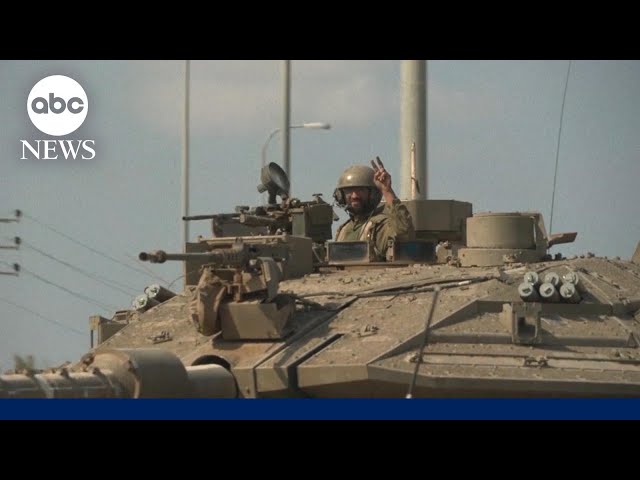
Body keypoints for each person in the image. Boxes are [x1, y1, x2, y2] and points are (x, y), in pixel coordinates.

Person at [333, 157, 415, 261]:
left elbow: (403, 233)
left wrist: (387, 191)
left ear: (373, 194)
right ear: (341, 196)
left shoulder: (379, 226)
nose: (354, 196)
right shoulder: (343, 230)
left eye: (361, 190)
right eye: (349, 191)